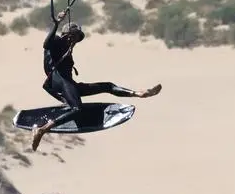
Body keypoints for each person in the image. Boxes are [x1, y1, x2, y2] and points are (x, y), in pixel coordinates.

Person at [31, 9, 162, 151]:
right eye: (73, 36)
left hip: (67, 84)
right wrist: (57, 24)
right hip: (59, 80)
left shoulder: (68, 50)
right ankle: (43, 129)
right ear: (66, 34)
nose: (74, 40)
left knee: (107, 86)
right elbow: (46, 44)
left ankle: (139, 93)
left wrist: (64, 100)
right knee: (77, 109)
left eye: (77, 38)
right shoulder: (56, 42)